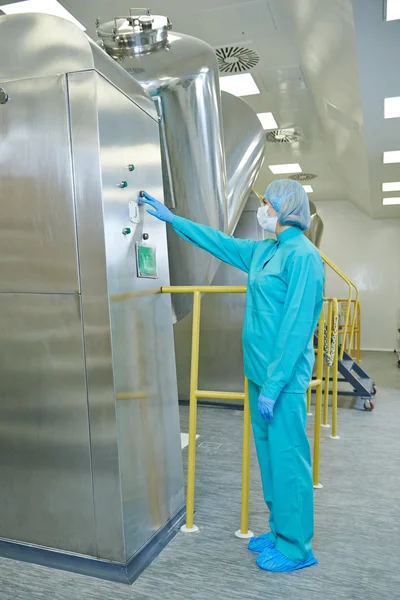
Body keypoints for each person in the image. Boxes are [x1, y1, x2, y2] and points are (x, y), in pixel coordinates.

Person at [140, 180, 324, 573]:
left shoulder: (304, 257)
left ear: (285, 209)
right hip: (258, 377)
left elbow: (296, 328)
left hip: (284, 383)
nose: (264, 210)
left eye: (267, 204)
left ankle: (297, 548)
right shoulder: (264, 251)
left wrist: (274, 387)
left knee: (289, 461)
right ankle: (279, 531)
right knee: (270, 461)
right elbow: (218, 242)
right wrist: (175, 221)